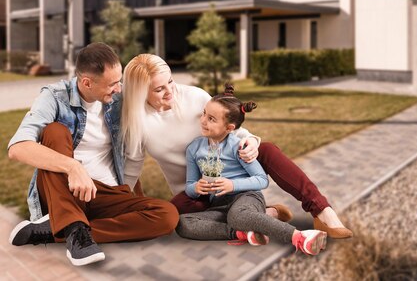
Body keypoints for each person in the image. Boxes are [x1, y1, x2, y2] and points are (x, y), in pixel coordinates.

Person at [122, 54, 352, 238]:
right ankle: (261, 216)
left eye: (170, 81)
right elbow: (131, 168)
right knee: (173, 219)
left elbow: (230, 126)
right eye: (159, 89)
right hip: (197, 191)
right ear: (141, 92)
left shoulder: (195, 97)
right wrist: (116, 203)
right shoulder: (138, 120)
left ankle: (322, 211)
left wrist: (252, 141)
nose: (170, 90)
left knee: (268, 149)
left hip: (234, 168)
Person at [7, 43, 179, 266]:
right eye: (112, 84)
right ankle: (72, 225)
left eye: (120, 81)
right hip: (64, 191)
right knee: (55, 131)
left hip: (105, 193)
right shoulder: (54, 97)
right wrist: (73, 167)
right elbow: (17, 147)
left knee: (167, 215)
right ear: (86, 82)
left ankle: (64, 230)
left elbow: (159, 89)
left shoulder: (118, 100)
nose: (119, 89)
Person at [176, 83, 327, 255]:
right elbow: (190, 185)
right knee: (183, 223)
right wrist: (196, 188)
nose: (203, 120)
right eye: (204, 113)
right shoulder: (194, 149)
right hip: (219, 204)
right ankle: (243, 232)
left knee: (238, 215)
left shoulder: (238, 146)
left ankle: (300, 237)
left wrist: (232, 185)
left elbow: (261, 179)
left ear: (229, 128)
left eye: (211, 119)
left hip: (247, 197)